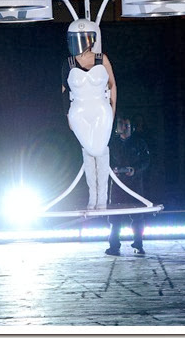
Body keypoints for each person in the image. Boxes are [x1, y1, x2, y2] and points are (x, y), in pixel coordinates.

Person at [61, 19, 117, 210]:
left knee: (100, 149)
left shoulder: (102, 59)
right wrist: (67, 115)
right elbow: (63, 91)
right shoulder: (68, 63)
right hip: (79, 111)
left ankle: (102, 198)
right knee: (87, 150)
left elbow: (112, 85)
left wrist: (113, 109)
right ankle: (92, 196)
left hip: (101, 109)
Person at [105, 114, 150, 256]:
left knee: (138, 216)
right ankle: (114, 246)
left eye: (126, 125)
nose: (123, 128)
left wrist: (134, 170)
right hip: (117, 185)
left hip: (134, 184)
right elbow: (106, 160)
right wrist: (113, 170)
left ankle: (138, 244)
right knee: (115, 217)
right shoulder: (112, 143)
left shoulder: (139, 143)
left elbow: (146, 161)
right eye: (121, 125)